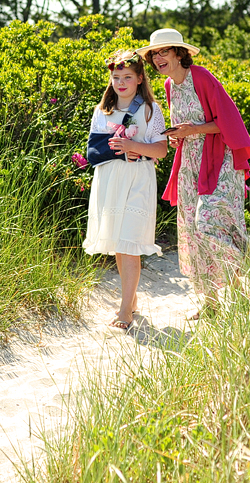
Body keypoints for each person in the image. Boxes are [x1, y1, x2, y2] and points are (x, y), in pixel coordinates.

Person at [137, 29, 250, 320]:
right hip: (190, 164)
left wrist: (193, 130)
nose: (158, 57)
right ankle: (212, 304)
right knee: (193, 230)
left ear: (179, 53)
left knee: (210, 222)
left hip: (220, 161)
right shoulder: (168, 85)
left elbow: (227, 121)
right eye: (154, 53)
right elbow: (184, 125)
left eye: (164, 51)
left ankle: (242, 290)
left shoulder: (200, 76)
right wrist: (179, 137)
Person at [83, 50, 168, 333]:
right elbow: (95, 149)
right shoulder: (102, 111)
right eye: (116, 77)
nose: (121, 82)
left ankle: (124, 309)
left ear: (140, 79)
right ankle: (130, 301)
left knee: (130, 242)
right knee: (120, 244)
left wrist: (133, 147)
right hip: (109, 180)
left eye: (127, 77)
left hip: (138, 180)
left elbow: (161, 150)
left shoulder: (149, 110)